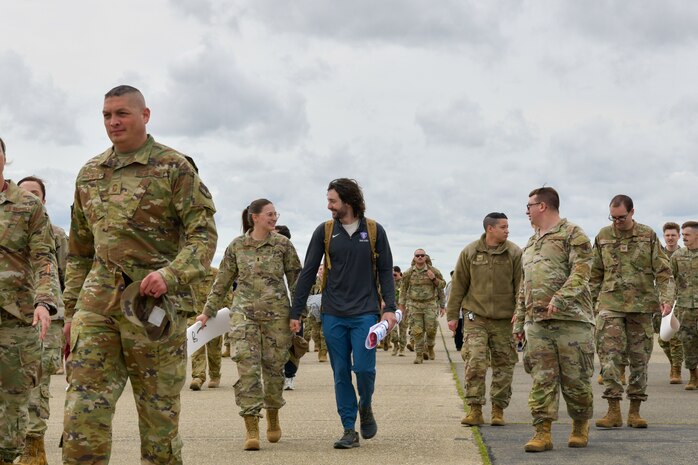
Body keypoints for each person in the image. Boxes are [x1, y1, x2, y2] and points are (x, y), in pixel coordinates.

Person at [61, 85, 217, 465]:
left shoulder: (174, 168)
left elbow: (203, 235)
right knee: (83, 413)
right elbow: (80, 251)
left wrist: (172, 274)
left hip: (154, 311)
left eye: (122, 113)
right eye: (107, 115)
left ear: (144, 115)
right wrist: (70, 313)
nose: (113, 122)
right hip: (98, 306)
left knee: (158, 422)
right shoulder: (89, 174)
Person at [290, 178, 397, 449]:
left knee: (363, 368)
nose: (329, 206)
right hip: (333, 313)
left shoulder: (373, 231)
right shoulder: (324, 232)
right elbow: (307, 271)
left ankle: (367, 405)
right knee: (340, 373)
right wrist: (296, 310)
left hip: (365, 313)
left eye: (332, 201)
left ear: (348, 201)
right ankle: (349, 429)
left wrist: (390, 309)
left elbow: (386, 271)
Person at [198, 199, 301, 451]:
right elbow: (222, 281)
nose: (274, 218)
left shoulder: (283, 245)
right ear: (254, 217)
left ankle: (273, 412)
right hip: (244, 316)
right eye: (269, 214)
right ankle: (251, 424)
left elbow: (297, 280)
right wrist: (207, 312)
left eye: (276, 213)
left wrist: (298, 315)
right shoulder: (236, 247)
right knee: (247, 368)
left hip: (277, 317)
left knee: (274, 369)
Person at [513, 187, 595, 452]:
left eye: (529, 206)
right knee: (542, 379)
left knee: (576, 380)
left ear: (543, 206)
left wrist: (560, 299)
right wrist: (520, 320)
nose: (526, 211)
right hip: (537, 324)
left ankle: (580, 426)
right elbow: (525, 284)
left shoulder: (573, 234)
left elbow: (582, 273)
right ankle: (542, 433)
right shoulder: (531, 241)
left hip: (572, 321)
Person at [591, 195, 674, 430]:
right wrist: (591, 305)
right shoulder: (603, 236)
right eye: (613, 217)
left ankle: (635, 411)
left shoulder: (647, 235)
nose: (617, 221)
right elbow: (594, 273)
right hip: (610, 305)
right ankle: (613, 410)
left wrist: (666, 300)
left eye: (621, 217)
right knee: (610, 359)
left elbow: (664, 272)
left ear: (632, 212)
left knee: (639, 359)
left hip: (641, 307)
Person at [0, 137, 57, 465]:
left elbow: (43, 258)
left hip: (17, 319)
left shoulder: (27, 206)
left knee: (14, 401)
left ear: (5, 158)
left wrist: (44, 302)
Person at [447, 212, 522, 427]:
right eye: (503, 227)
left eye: (508, 227)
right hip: (475, 317)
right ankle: (475, 410)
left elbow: (520, 287)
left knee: (504, 365)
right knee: (475, 363)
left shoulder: (514, 253)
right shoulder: (470, 252)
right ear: (490, 229)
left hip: (504, 320)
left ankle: (498, 410)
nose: (507, 230)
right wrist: (453, 316)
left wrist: (520, 315)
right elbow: (458, 285)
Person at [17, 175, 68, 463]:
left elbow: (68, 277)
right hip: (13, 318)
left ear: (44, 200)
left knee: (37, 382)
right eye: (25, 193)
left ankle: (34, 446)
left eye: (36, 193)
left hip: (48, 319)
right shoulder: (7, 230)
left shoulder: (57, 235)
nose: (31, 198)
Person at [399, 249, 445, 364]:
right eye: (417, 255)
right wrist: (401, 307)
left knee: (431, 329)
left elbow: (442, 286)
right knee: (417, 331)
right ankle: (419, 355)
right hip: (414, 305)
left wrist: (433, 278)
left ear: (425, 257)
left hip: (430, 305)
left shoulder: (433, 271)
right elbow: (403, 290)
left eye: (422, 255)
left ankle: (430, 347)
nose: (420, 257)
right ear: (414, 258)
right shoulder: (408, 273)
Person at [652, 222, 684, 383]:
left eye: (673, 235)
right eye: (667, 235)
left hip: (680, 301)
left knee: (676, 338)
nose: (670, 238)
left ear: (679, 236)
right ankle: (674, 364)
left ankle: (676, 371)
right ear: (663, 236)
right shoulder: (658, 255)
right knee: (662, 339)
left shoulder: (684, 254)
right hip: (661, 301)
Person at [671, 222, 698, 390]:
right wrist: (667, 302)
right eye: (683, 234)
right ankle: (693, 376)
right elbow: (669, 280)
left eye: (687, 234)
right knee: (688, 342)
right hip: (685, 307)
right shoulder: (677, 256)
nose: (683, 237)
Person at [188, 267, 225, 391]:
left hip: (213, 315)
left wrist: (226, 312)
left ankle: (215, 375)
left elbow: (225, 292)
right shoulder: (188, 273)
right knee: (196, 345)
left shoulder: (216, 273)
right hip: (194, 315)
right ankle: (198, 377)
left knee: (214, 347)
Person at [390, 266, 407, 356]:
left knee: (403, 328)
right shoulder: (389, 283)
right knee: (392, 329)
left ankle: (402, 348)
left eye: (395, 274)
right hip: (392, 309)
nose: (393, 276)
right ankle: (395, 345)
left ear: (399, 273)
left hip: (403, 309)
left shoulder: (404, 282)